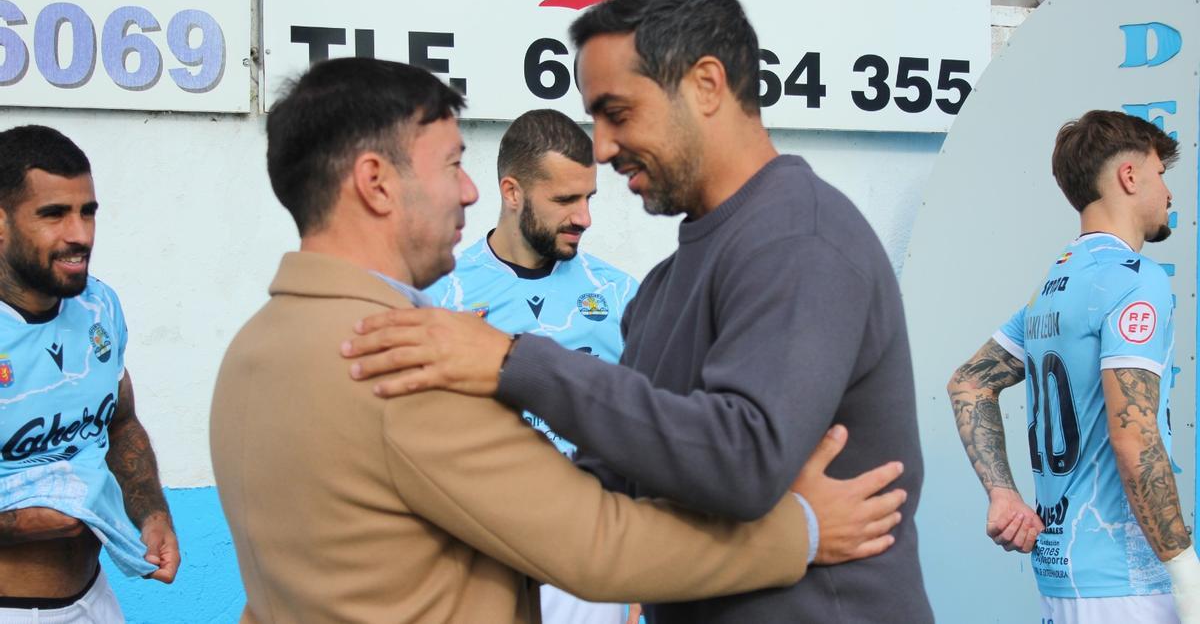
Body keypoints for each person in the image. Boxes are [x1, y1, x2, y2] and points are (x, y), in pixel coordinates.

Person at [209, 56, 908, 623]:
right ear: (375, 183)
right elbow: (598, 543)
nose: (470, 192)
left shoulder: (250, 353)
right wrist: (805, 528)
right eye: (451, 163)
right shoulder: (398, 361)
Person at [947, 110, 1200, 623]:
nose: (1169, 194)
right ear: (1130, 177)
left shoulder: (1051, 289)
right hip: (1129, 590)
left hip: (1060, 583)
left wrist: (1002, 495)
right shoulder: (1136, 279)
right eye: (1160, 174)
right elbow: (1134, 436)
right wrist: (1186, 573)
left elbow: (969, 382)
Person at [424, 108, 639, 624]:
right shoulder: (441, 294)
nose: (583, 216)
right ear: (512, 192)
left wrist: (636, 584)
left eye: (588, 198)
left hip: (592, 558)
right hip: (481, 561)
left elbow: (647, 430)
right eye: (565, 200)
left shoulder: (621, 294)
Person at [0, 126, 179, 621]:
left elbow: (119, 422)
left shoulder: (99, 306)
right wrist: (20, 522)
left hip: (93, 600)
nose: (80, 235)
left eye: (87, 212)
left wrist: (151, 511)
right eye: (53, 215)